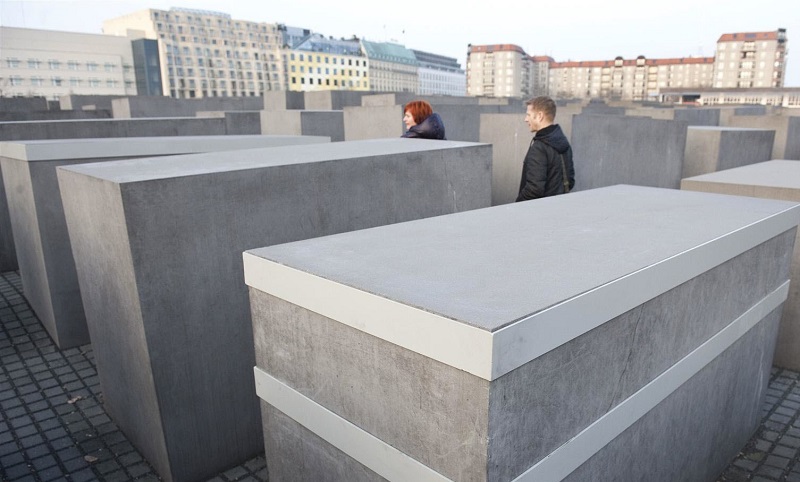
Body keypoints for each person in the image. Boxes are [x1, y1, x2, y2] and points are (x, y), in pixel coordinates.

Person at [516, 96, 575, 201]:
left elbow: (534, 189)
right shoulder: (563, 142)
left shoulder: (539, 148)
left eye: (528, 115)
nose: (526, 119)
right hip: (558, 208)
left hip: (538, 212)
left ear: (539, 116)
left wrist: (516, 206)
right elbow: (570, 181)